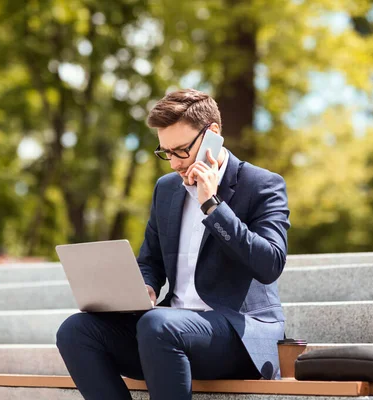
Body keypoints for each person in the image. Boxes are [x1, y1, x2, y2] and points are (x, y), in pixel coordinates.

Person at [56, 88, 291, 400]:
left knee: (158, 325)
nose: (174, 164)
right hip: (166, 333)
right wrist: (146, 288)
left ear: (213, 134)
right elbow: (150, 262)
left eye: (181, 150)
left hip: (239, 335)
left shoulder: (262, 184)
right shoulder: (166, 189)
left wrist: (214, 208)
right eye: (166, 152)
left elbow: (270, 264)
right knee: (76, 331)